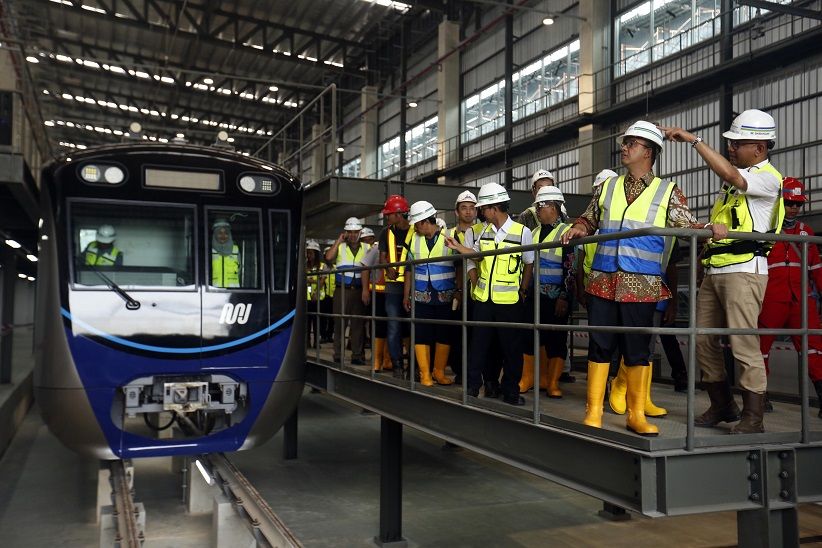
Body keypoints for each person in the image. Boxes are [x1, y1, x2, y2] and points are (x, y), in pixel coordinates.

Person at [562, 121, 717, 436]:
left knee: (637, 349)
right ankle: (594, 411)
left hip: (642, 285)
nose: (624, 147)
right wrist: (579, 226)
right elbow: (589, 217)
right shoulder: (607, 187)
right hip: (603, 281)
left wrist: (710, 230)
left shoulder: (667, 191)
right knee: (600, 345)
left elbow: (689, 224)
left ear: (648, 151)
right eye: (625, 142)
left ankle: (635, 414)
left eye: (631, 143)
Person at [662, 109, 785, 434]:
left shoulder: (766, 178)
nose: (731, 148)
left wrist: (694, 141)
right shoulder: (731, 190)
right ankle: (722, 404)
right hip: (716, 271)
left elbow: (731, 175)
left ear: (759, 148)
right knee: (702, 340)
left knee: (743, 342)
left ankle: (753, 416)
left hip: (744, 271)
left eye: (738, 143)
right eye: (730, 143)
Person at [445, 182, 534, 406]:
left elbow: (529, 264)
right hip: (484, 300)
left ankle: (510, 391)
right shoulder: (483, 232)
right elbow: (475, 255)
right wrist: (457, 246)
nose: (480, 212)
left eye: (483, 208)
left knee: (512, 349)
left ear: (494, 207)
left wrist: (523, 290)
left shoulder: (522, 233)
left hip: (510, 301)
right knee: (479, 347)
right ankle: (473, 388)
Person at [757, 177, 822, 418]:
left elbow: (816, 268)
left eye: (797, 203)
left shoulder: (807, 232)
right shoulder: (764, 230)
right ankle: (759, 396)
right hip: (770, 299)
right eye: (788, 202)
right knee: (760, 349)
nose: (793, 207)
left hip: (802, 300)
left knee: (814, 349)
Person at [522, 185, 575, 398]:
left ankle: (552, 383)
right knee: (534, 337)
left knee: (556, 340)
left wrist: (564, 296)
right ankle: (536, 378)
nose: (537, 210)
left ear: (553, 207)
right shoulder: (533, 233)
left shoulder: (566, 232)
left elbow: (570, 266)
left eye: (540, 206)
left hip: (556, 297)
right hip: (534, 296)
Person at [404, 200, 461, 386]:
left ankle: (438, 372)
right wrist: (406, 295)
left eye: (416, 224)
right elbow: (408, 270)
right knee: (421, 334)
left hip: (445, 296)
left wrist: (459, 290)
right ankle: (425, 374)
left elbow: (460, 266)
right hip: (421, 296)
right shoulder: (414, 240)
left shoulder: (450, 236)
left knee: (444, 334)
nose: (415, 228)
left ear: (423, 222)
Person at [325, 217, 370, 365]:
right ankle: (338, 355)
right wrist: (338, 241)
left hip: (359, 290)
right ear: (345, 233)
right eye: (349, 232)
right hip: (341, 290)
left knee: (358, 325)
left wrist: (365, 290)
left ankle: (357, 355)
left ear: (360, 232)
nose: (352, 235)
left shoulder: (367, 248)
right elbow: (329, 257)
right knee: (339, 323)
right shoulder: (341, 247)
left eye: (355, 232)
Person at [378, 195, 413, 377]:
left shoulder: (416, 231)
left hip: (412, 286)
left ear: (399, 214)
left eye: (389, 214)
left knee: (413, 327)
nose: (387, 217)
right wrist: (388, 268)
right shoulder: (386, 232)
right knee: (393, 327)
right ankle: (397, 365)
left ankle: (413, 367)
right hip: (392, 287)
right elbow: (382, 257)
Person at [360, 236, 392, 373]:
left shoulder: (400, 248)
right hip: (378, 294)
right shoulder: (375, 249)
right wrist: (365, 290)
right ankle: (377, 361)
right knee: (379, 326)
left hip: (394, 293)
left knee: (393, 326)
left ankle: (388, 360)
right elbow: (365, 268)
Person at [305, 240, 325, 347]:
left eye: (311, 253)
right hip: (306, 298)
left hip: (318, 299)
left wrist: (316, 293)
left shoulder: (322, 266)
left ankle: (317, 342)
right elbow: (305, 280)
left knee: (318, 322)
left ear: (316, 254)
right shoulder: (304, 266)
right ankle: (307, 341)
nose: (309, 255)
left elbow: (322, 281)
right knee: (307, 323)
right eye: (307, 252)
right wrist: (313, 280)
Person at [211, 219, 240, 288]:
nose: (223, 236)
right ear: (215, 234)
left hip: (232, 293)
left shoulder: (235, 250)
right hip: (213, 292)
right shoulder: (210, 251)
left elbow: (239, 271)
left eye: (226, 233)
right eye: (220, 233)